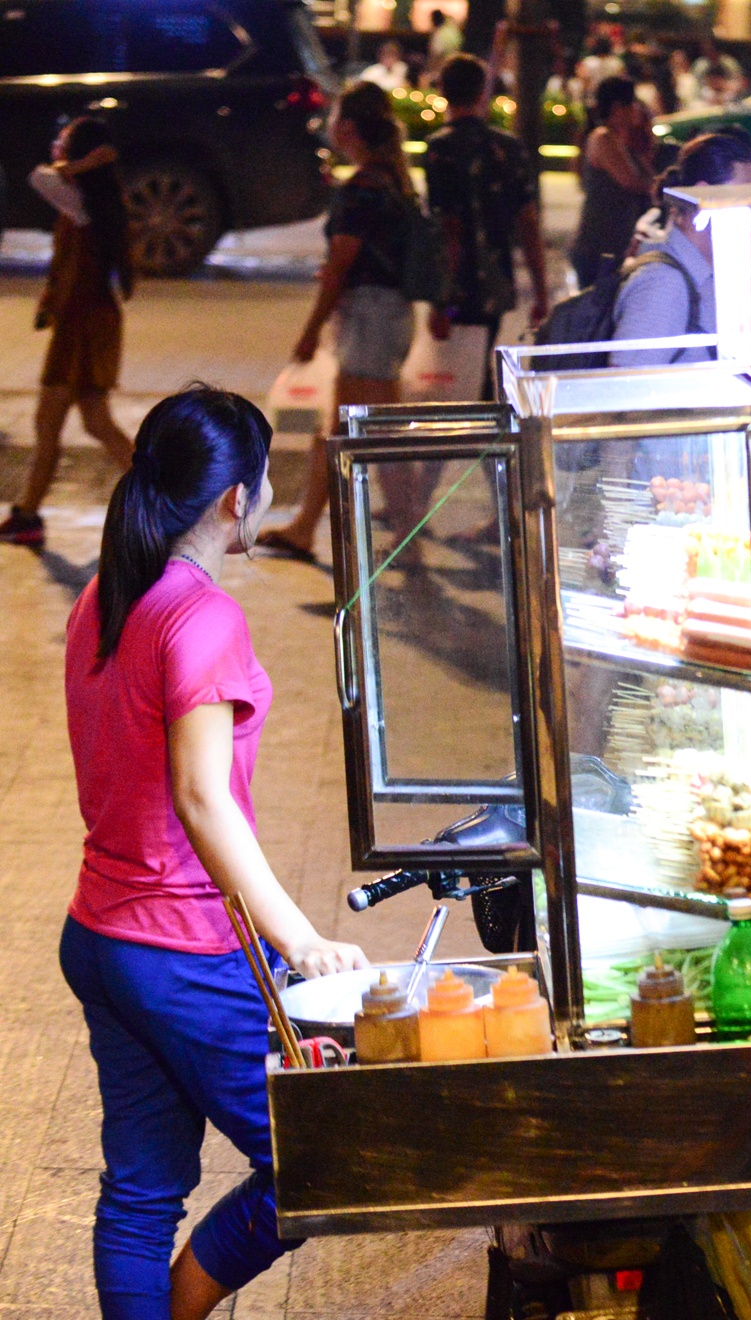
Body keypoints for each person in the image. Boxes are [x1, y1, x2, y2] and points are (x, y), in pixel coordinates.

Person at [62, 387, 368, 1320]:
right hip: (180, 949)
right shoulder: (198, 617)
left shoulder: (107, 597)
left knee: (142, 1193)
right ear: (239, 496)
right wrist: (300, 936)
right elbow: (199, 795)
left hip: (103, 937)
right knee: (326, 1158)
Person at [258, 83, 425, 563]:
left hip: (369, 316)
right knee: (347, 429)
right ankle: (306, 527)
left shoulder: (362, 188)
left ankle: (399, 538)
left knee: (368, 431)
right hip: (388, 315)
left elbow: (341, 266)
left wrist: (311, 328)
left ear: (348, 128)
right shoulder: (392, 181)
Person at [0, 118, 134, 547]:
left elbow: (38, 177)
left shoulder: (78, 201)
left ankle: (28, 515)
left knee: (49, 422)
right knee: (95, 422)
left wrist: (81, 164)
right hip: (89, 323)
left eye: (64, 141)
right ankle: (162, 500)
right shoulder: (91, 202)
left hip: (81, 328)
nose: (55, 145)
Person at [425, 54, 550, 396]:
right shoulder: (508, 147)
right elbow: (528, 222)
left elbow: (448, 227)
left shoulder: (440, 148)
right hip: (496, 280)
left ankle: (465, 440)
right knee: (480, 371)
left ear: (443, 93)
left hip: (458, 286)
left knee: (455, 378)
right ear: (484, 93)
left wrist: (442, 301)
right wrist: (541, 291)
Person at [609, 132, 751, 363]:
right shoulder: (664, 283)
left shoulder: (705, 273)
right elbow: (628, 386)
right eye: (745, 197)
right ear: (705, 195)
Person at [570, 76, 655, 290]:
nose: (638, 109)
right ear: (618, 108)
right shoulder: (603, 138)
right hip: (598, 249)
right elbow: (633, 182)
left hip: (612, 247)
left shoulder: (619, 140)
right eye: (633, 103)